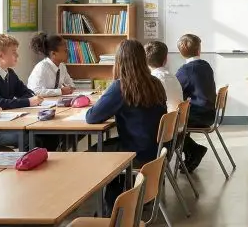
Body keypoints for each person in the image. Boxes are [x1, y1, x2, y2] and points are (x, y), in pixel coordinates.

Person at [86, 39, 168, 215]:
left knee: (90, 154)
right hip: (155, 149)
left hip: (135, 151)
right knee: (109, 150)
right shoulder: (155, 82)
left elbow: (92, 117)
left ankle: (110, 208)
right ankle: (117, 199)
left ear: (119, 61)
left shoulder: (121, 86)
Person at [175, 34, 215, 172]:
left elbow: (176, 91)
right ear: (199, 50)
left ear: (180, 52)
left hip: (198, 116)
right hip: (209, 114)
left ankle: (195, 150)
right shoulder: (206, 66)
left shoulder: (185, 70)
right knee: (181, 118)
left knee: (169, 125)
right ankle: (191, 154)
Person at [0, 34, 43, 109]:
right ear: (0, 55)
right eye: (13, 52)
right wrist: (27, 102)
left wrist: (24, 101)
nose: (17, 55)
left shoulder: (10, 72)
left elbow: (27, 93)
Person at [27, 32, 75, 97]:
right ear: (53, 54)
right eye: (65, 50)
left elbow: (70, 84)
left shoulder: (62, 66)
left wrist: (70, 88)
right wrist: (60, 91)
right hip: (40, 104)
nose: (68, 53)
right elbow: (34, 91)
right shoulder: (41, 68)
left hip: (54, 102)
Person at [145, 40, 183, 112]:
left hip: (164, 121)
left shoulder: (152, 81)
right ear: (166, 59)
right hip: (176, 120)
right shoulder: (173, 77)